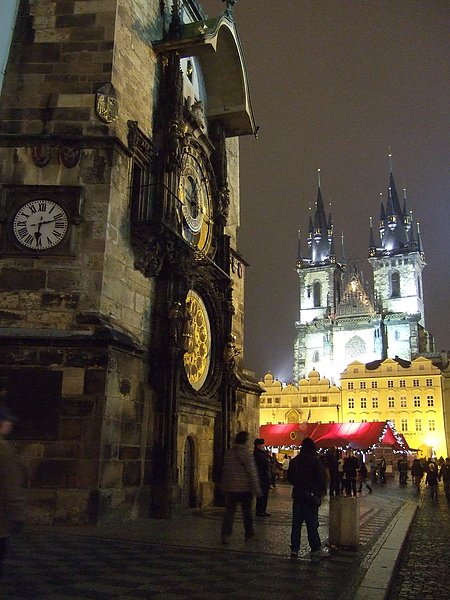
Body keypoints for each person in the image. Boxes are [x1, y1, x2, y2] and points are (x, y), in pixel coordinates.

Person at [287, 437, 329, 559]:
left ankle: (294, 548)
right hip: (311, 496)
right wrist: (320, 491)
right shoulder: (315, 462)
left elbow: (290, 478)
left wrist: (298, 484)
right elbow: (321, 478)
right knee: (312, 524)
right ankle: (315, 547)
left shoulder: (295, 461)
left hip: (298, 495)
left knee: (296, 524)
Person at [221, 431, 262, 544]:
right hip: (245, 488)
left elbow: (225, 470)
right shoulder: (246, 453)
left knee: (229, 513)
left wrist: (224, 485)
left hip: (231, 488)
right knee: (247, 513)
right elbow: (252, 472)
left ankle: (225, 534)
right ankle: (249, 534)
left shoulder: (229, 453)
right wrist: (257, 489)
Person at [0, 406, 25, 578]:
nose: (10, 425)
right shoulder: (3, 449)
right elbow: (10, 486)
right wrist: (17, 515)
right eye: (7, 421)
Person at [254, 438, 271, 516]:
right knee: (262, 495)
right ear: (258, 445)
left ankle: (262, 510)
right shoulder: (258, 454)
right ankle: (260, 511)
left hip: (263, 477)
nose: (263, 446)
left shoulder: (260, 453)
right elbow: (262, 466)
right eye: (262, 444)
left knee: (263, 495)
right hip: (262, 477)